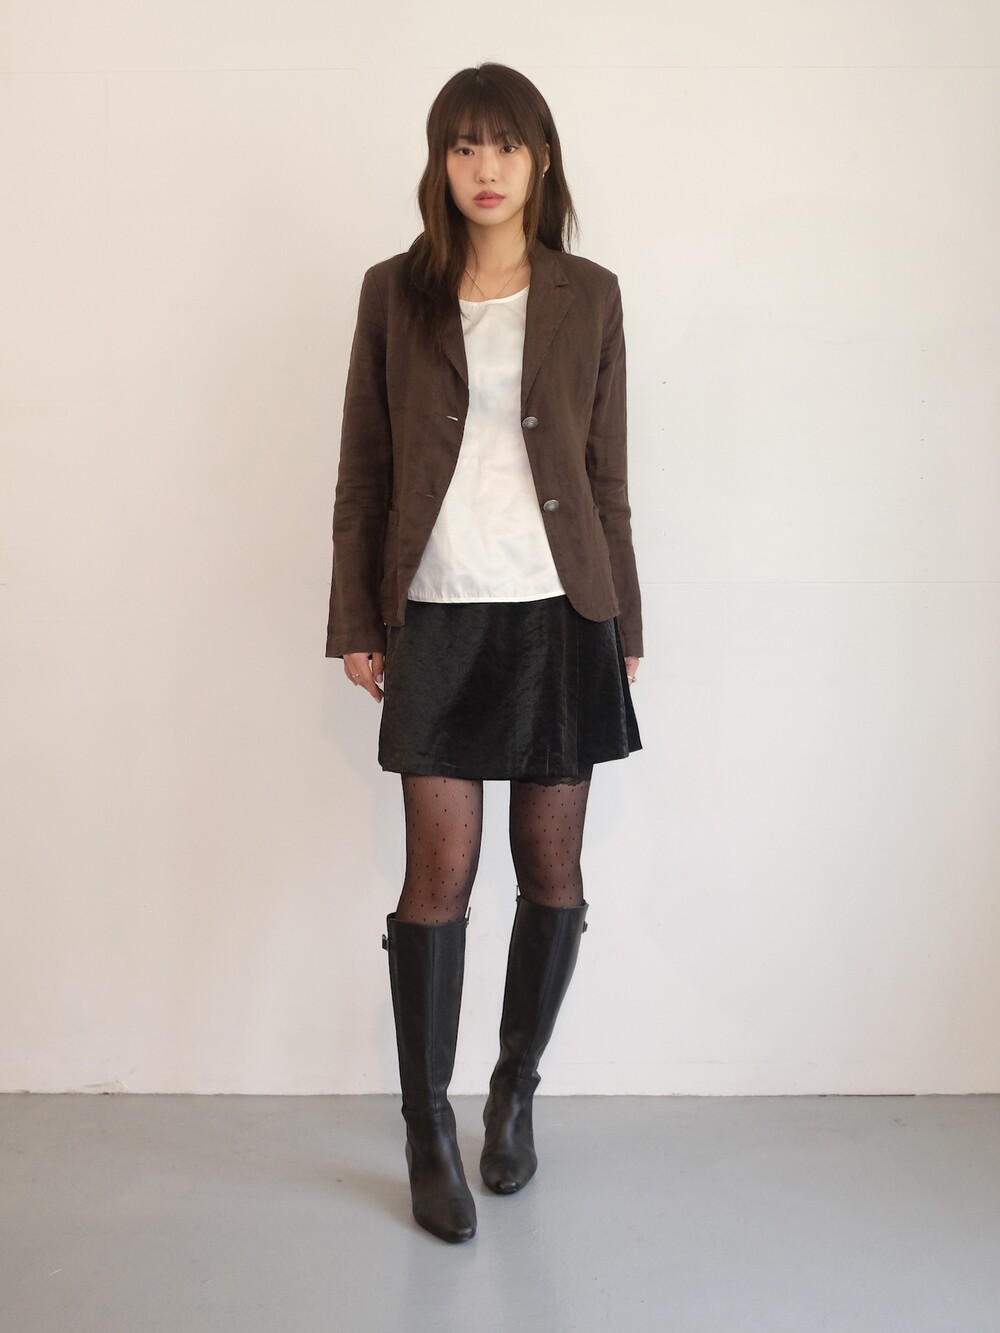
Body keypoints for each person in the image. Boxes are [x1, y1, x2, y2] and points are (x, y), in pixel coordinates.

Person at [325, 63, 643, 1244]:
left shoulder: (589, 295)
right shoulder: (393, 292)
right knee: (439, 876)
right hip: (440, 611)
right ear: (439, 162)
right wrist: (359, 618)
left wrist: (625, 624)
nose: (485, 167)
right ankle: (426, 1127)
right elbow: (364, 468)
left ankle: (513, 1091)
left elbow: (606, 474)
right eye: (463, 145)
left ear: (540, 159)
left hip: (561, 613)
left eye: (505, 145)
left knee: (550, 867)